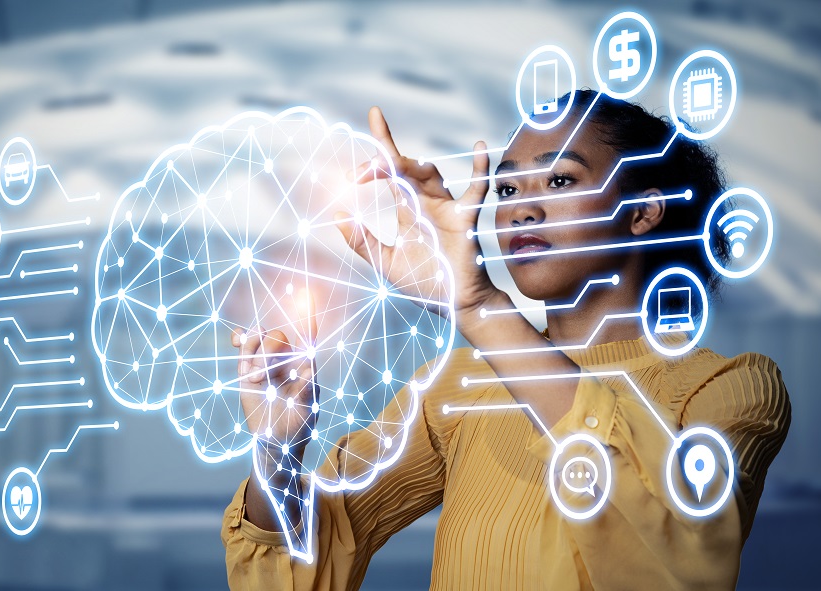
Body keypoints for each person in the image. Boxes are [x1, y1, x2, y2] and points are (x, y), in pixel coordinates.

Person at [220, 90, 791, 590]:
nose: (522, 209)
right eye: (508, 188)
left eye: (561, 178)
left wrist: (480, 308)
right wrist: (277, 453)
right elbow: (305, 562)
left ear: (642, 211)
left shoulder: (729, 387)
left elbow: (680, 561)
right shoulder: (458, 391)